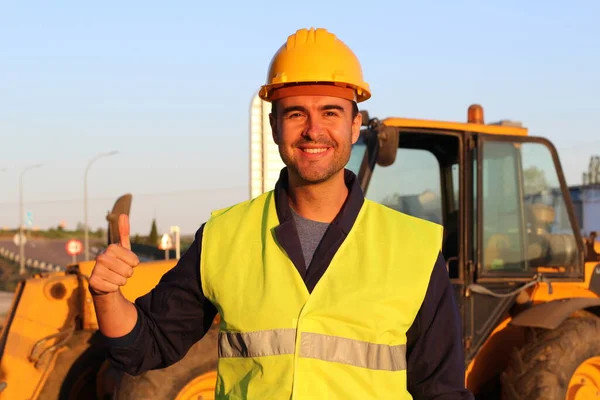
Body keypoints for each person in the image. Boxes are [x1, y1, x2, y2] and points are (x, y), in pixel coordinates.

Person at [90, 27, 474, 399]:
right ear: (274, 126)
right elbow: (146, 345)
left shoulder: (413, 248)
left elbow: (441, 391)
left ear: (355, 125)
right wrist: (107, 296)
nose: (313, 130)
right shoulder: (225, 236)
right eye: (295, 115)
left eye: (330, 113)